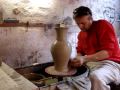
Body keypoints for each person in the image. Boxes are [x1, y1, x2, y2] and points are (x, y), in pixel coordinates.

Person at [70, 6, 120, 90]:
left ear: (90, 19)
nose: (80, 26)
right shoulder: (81, 34)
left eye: (83, 23)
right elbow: (80, 52)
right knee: (72, 77)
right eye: (78, 24)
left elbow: (107, 53)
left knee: (95, 76)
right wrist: (78, 59)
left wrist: (84, 58)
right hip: (92, 63)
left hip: (111, 64)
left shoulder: (103, 25)